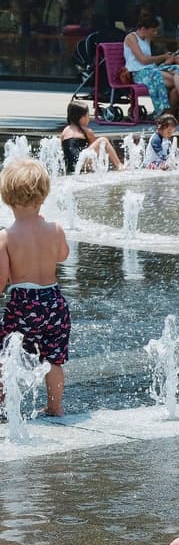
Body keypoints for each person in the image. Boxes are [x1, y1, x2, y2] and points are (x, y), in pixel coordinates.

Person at [0, 159, 70, 417]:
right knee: (53, 358)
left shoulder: (6, 236)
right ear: (43, 195)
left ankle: (3, 403)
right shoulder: (55, 229)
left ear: (7, 198)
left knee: (4, 355)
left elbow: (1, 278)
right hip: (54, 302)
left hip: (23, 304)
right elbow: (63, 255)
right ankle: (55, 407)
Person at [123, 14, 179, 120]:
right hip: (139, 73)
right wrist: (163, 57)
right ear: (143, 29)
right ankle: (169, 111)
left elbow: (161, 40)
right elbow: (143, 60)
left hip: (151, 69)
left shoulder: (147, 38)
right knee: (178, 80)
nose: (155, 33)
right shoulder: (131, 38)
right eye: (153, 31)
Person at [60, 101, 124, 172]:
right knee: (103, 141)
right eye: (88, 115)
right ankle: (119, 165)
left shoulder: (65, 131)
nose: (89, 118)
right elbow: (98, 149)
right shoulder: (86, 131)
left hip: (71, 165)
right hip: (81, 163)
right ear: (82, 118)